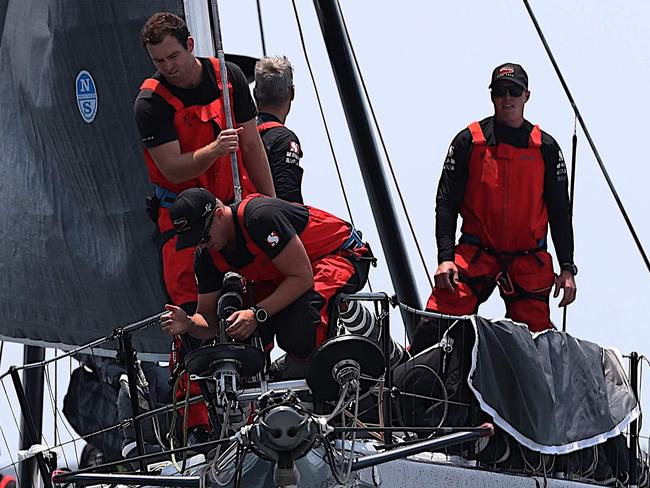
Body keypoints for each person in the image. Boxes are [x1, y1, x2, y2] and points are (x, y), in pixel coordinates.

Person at [133, 12, 274, 443]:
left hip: (234, 209)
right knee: (188, 312)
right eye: (159, 61)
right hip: (182, 221)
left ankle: (257, 399)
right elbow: (172, 167)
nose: (168, 66)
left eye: (173, 55)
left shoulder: (228, 77)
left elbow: (250, 145)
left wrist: (274, 206)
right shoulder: (151, 104)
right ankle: (196, 423)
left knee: (261, 291)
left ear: (191, 44)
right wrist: (215, 149)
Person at [425, 63, 577, 342]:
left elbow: (560, 212)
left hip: (528, 258)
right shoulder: (469, 141)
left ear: (526, 96)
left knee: (538, 339)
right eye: (500, 91)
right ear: (492, 96)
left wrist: (567, 267)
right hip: (476, 253)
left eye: (514, 91)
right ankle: (419, 374)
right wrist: (445, 259)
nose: (507, 98)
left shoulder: (545, 147)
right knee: (440, 314)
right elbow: (446, 201)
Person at [160, 188, 374, 375]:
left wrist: (256, 313)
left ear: (218, 215)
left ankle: (315, 379)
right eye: (194, 240)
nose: (201, 245)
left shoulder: (260, 217)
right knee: (240, 330)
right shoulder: (206, 256)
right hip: (283, 275)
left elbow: (302, 278)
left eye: (203, 237)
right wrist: (188, 323)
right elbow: (208, 319)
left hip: (338, 256)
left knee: (300, 324)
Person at [253, 55, 305, 204]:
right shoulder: (285, 140)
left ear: (255, 93)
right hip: (269, 221)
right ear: (292, 93)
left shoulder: (243, 134)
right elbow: (288, 199)